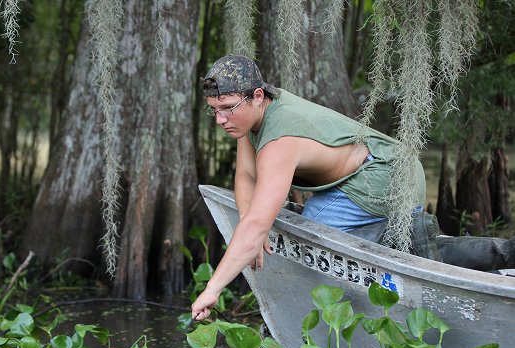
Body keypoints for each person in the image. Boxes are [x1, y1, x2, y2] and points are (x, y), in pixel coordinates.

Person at [191, 55, 515, 321]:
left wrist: (214, 288)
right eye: (215, 109)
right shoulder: (251, 120)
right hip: (371, 176)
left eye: (228, 107)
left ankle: (406, 250)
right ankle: (499, 253)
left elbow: (259, 221)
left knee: (312, 230)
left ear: (257, 95)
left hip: (385, 174)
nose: (220, 119)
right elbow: (246, 177)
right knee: (397, 250)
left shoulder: (279, 139)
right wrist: (252, 229)